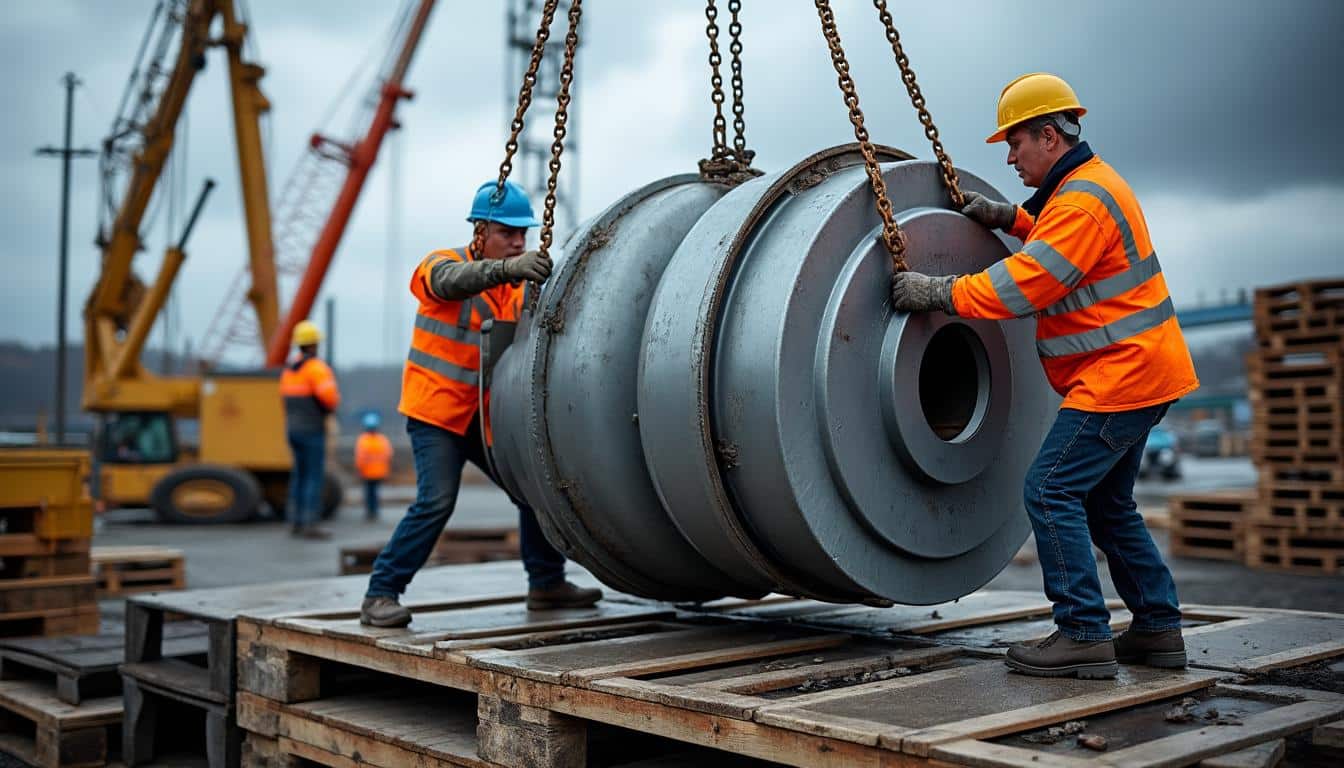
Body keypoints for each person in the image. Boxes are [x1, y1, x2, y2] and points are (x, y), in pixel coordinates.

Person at [891, 73, 1199, 679]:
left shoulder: (1082, 202)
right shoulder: (1082, 190)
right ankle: (1159, 630)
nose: (1009, 157)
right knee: (1110, 506)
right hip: (1140, 373)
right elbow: (1057, 241)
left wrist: (940, 292)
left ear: (1050, 137)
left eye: (1016, 144)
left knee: (1049, 489)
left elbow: (1029, 282)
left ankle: (1082, 631)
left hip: (1122, 377)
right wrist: (1010, 217)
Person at [360, 179, 603, 627]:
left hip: (482, 416)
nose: (518, 242)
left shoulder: (516, 290)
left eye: (522, 234)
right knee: (435, 502)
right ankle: (381, 594)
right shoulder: (441, 264)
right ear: (480, 232)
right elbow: (450, 283)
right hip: (435, 413)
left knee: (533, 490)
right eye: (507, 233)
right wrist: (507, 270)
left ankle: (546, 584)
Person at [278, 320, 341, 540]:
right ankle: (310, 524)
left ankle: (294, 521)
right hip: (312, 430)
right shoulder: (317, 369)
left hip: (293, 429)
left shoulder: (289, 370)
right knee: (314, 477)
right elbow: (331, 400)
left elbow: (284, 400)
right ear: (314, 344)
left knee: (299, 475)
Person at [355, 412, 393, 521]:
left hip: (366, 473)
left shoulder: (363, 440)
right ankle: (375, 511)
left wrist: (359, 470)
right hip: (379, 472)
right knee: (375, 492)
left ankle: (370, 512)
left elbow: (360, 458)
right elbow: (388, 456)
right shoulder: (382, 440)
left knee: (369, 493)